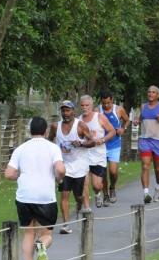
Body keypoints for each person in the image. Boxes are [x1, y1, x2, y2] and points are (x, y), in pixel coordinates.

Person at [5, 117, 65, 260]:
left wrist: (20, 176)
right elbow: (60, 169)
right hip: (45, 196)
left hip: (25, 196)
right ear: (46, 132)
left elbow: (9, 174)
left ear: (30, 131)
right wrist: (58, 178)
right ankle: (42, 245)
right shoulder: (52, 147)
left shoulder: (20, 149)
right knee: (46, 234)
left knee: (28, 232)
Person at [48, 100, 95, 234]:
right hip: (64, 166)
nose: (65, 113)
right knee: (64, 194)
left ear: (73, 111)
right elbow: (49, 141)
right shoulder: (55, 127)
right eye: (63, 110)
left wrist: (79, 143)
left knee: (78, 196)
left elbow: (92, 142)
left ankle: (80, 204)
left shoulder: (80, 126)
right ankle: (65, 224)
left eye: (68, 110)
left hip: (79, 165)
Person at [134, 85, 159, 203]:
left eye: (153, 92)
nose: (150, 94)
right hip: (145, 140)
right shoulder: (143, 107)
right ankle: (146, 193)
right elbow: (139, 118)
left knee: (157, 168)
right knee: (145, 166)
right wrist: (137, 121)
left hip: (158, 141)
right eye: (149, 92)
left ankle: (158, 187)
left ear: (158, 95)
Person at [79, 95, 115, 208]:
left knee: (96, 185)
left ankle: (97, 193)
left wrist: (103, 139)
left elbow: (112, 131)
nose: (84, 108)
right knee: (84, 184)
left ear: (91, 105)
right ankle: (86, 208)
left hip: (98, 156)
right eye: (82, 105)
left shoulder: (100, 117)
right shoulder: (78, 120)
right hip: (83, 156)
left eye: (87, 105)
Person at [96, 90, 132, 203]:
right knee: (103, 172)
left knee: (113, 171)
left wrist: (123, 129)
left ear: (112, 100)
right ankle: (105, 195)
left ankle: (112, 187)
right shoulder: (97, 111)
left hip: (115, 145)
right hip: (101, 146)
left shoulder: (119, 110)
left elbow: (127, 120)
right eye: (104, 103)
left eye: (108, 103)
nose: (106, 105)